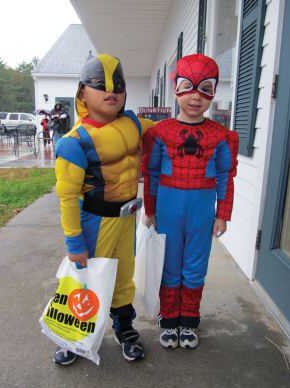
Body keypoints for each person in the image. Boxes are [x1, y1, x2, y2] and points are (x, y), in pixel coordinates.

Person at [53, 53, 154, 366]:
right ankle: (71, 336)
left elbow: (168, 132)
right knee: (85, 281)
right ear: (83, 92)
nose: (111, 90)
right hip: (94, 221)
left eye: (118, 84)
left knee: (123, 279)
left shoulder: (134, 123)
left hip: (127, 220)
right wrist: (74, 242)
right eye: (99, 84)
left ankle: (125, 329)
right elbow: (67, 197)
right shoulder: (74, 142)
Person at [142, 54, 239, 350]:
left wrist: (222, 214)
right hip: (168, 209)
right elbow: (152, 173)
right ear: (176, 90)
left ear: (213, 93)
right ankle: (169, 320)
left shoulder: (221, 136)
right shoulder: (159, 133)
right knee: (170, 266)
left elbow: (225, 176)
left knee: (195, 267)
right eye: (188, 87)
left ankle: (189, 320)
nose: (196, 97)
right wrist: (150, 210)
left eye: (205, 89)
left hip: (201, 210)